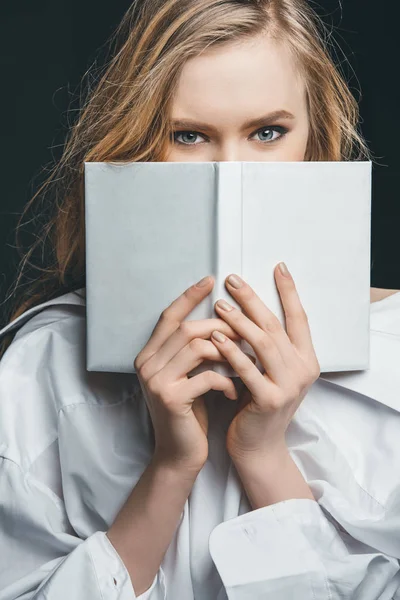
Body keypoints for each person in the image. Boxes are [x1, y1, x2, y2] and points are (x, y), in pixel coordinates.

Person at [1, 0, 400, 598]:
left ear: (316, 137)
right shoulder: (43, 363)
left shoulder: (393, 353)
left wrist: (263, 453)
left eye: (269, 132)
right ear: (136, 144)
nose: (230, 171)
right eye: (187, 135)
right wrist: (168, 469)